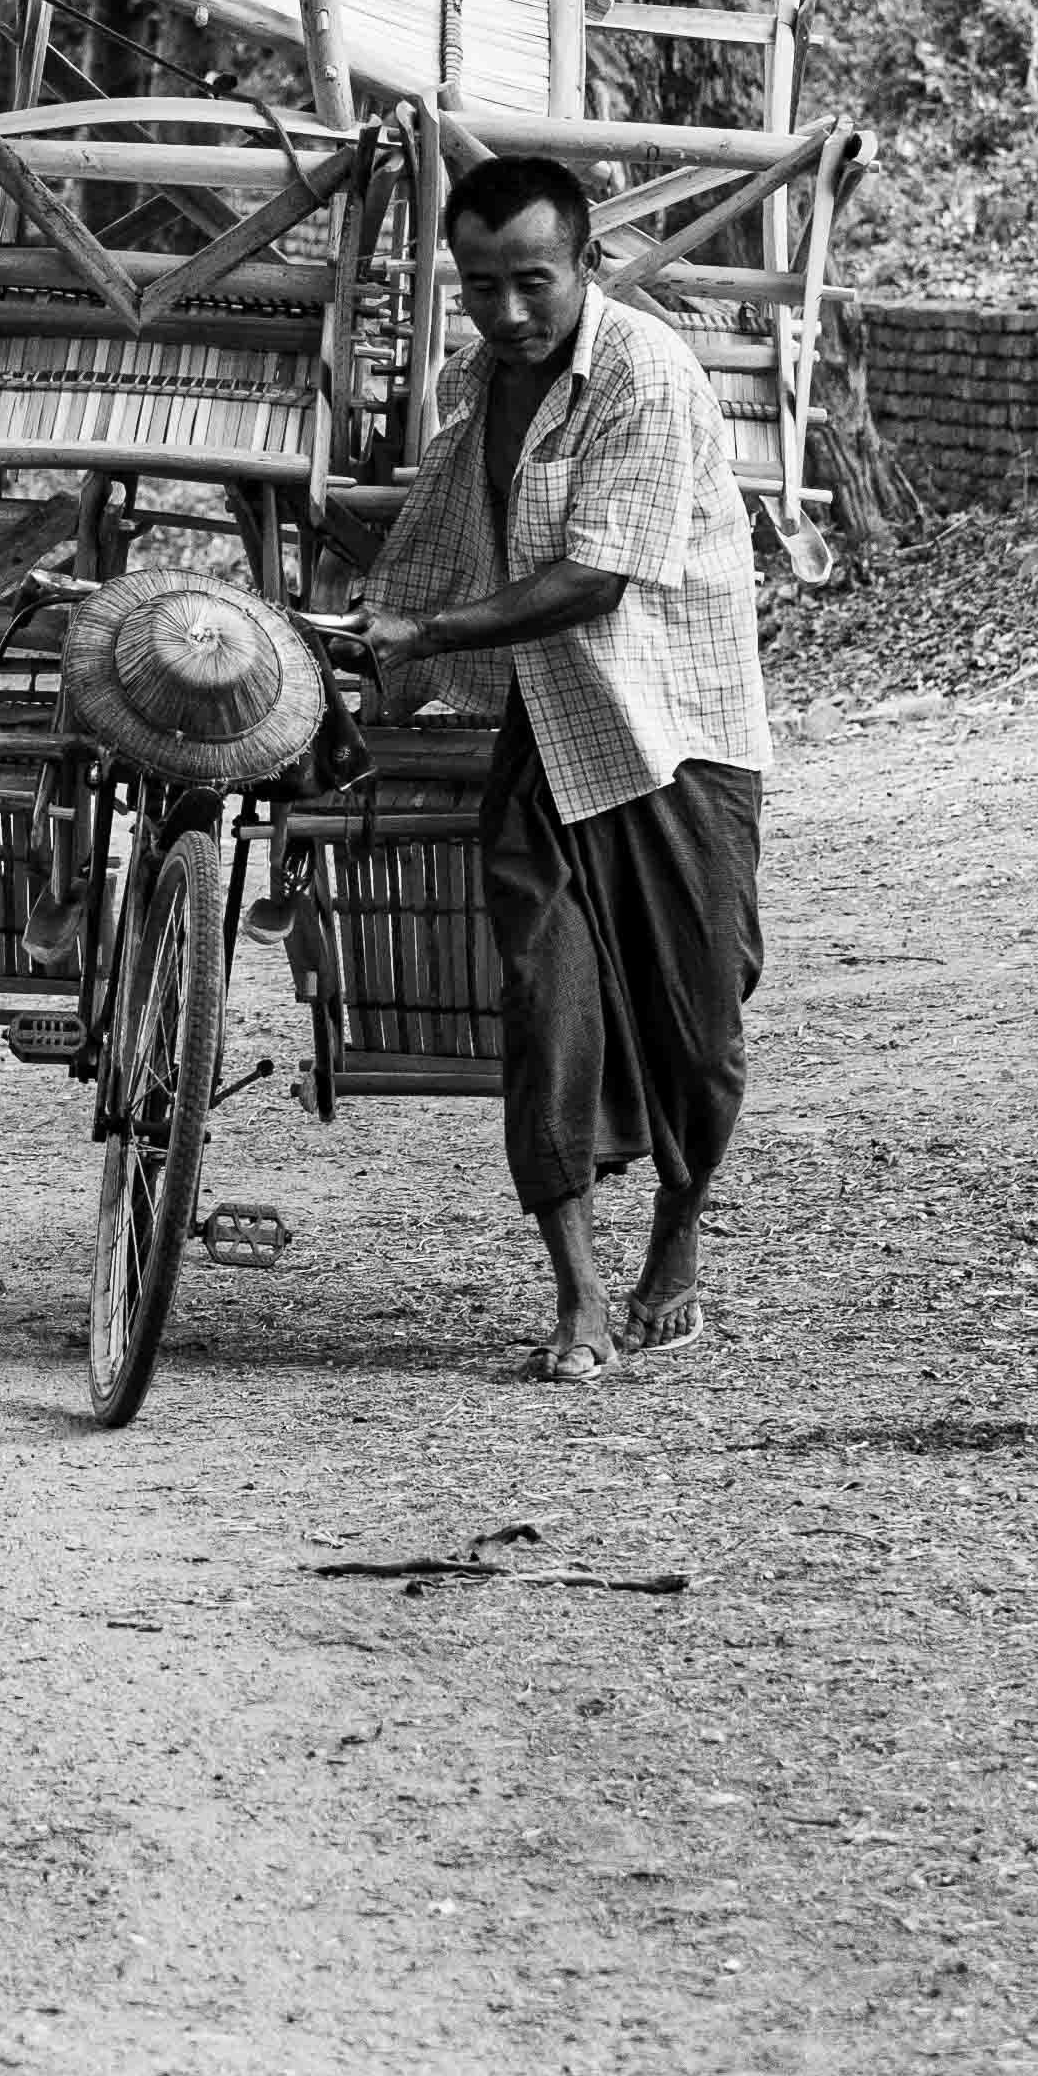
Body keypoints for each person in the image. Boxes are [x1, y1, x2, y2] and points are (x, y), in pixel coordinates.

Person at [356, 154, 768, 1384]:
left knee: (700, 1022)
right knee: (547, 1003)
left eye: (530, 279)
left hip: (674, 731)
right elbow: (448, 529)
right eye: (479, 284)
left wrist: (426, 633)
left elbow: (594, 577)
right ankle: (578, 1295)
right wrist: (377, 621)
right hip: (547, 731)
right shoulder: (469, 382)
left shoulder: (644, 373)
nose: (507, 309)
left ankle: (674, 1249)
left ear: (584, 262)